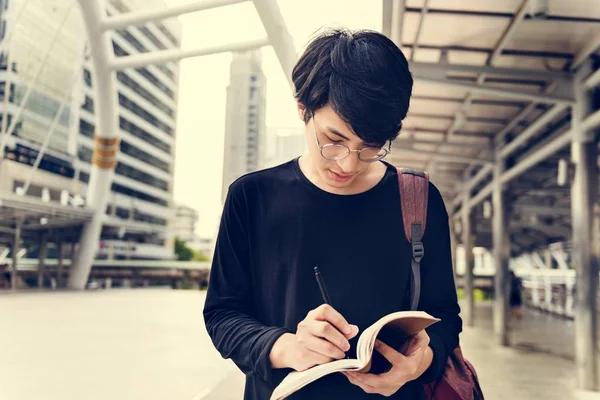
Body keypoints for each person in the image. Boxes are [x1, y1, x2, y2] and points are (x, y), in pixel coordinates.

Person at [203, 28, 462, 400]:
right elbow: (222, 314)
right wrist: (287, 347)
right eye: (334, 139)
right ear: (302, 110)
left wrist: (418, 365)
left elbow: (444, 316)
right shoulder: (252, 197)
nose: (347, 163)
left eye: (369, 148)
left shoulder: (419, 199)